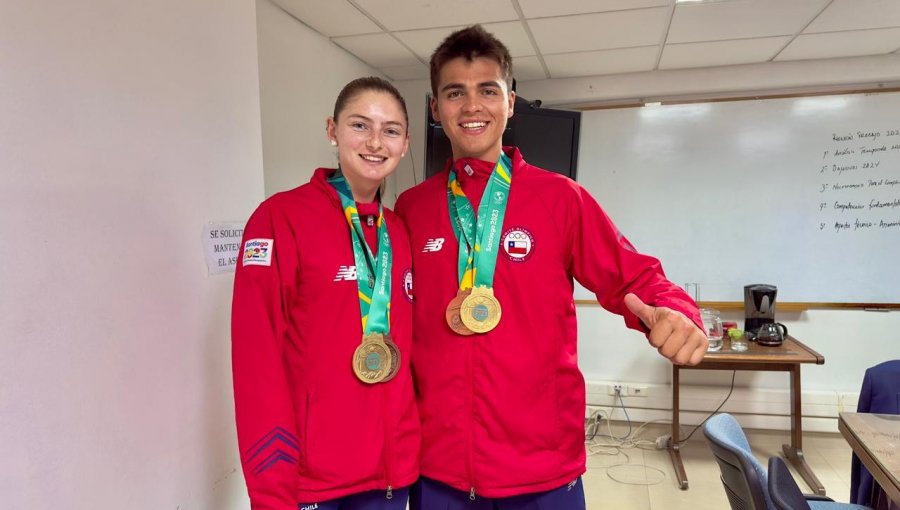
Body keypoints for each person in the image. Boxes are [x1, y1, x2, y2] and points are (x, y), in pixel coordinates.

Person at [394, 25, 708, 509]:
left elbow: (635, 276)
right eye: (455, 93)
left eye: (487, 90)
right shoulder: (411, 209)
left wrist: (676, 309)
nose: (472, 106)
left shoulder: (561, 198)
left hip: (542, 467)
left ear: (511, 102)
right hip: (439, 470)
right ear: (436, 108)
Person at [231, 77, 420, 510]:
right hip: (313, 481)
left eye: (390, 130)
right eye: (360, 125)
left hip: (390, 478)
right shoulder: (280, 218)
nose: (375, 142)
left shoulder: (400, 231)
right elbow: (255, 358)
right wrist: (271, 486)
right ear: (332, 130)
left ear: (405, 143)